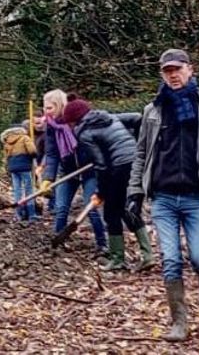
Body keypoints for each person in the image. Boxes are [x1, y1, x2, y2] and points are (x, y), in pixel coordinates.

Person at [128, 49, 199, 343]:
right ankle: (179, 321)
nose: (173, 75)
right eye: (167, 71)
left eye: (177, 69)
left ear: (190, 69)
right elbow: (141, 154)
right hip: (162, 197)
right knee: (171, 259)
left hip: (195, 196)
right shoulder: (153, 111)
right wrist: (135, 192)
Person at [72, 97, 151, 271]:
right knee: (126, 207)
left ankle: (117, 259)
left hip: (120, 167)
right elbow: (138, 118)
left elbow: (101, 166)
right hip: (137, 162)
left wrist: (100, 193)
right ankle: (147, 256)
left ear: (73, 120)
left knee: (111, 213)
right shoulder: (109, 117)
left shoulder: (83, 132)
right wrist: (137, 144)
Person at [39, 90, 99, 250]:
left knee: (91, 206)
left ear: (60, 106)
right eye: (44, 107)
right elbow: (51, 154)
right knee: (61, 208)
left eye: (50, 108)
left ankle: (102, 245)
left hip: (89, 169)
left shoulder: (77, 120)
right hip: (67, 170)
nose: (46, 111)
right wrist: (48, 178)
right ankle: (58, 241)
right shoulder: (51, 127)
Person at [0, 118, 39, 222]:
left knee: (17, 190)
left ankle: (18, 214)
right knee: (29, 189)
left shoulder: (7, 141)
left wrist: (7, 168)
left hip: (13, 168)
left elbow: (6, 157)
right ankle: (31, 214)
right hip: (25, 167)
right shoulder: (25, 138)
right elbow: (32, 150)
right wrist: (35, 156)